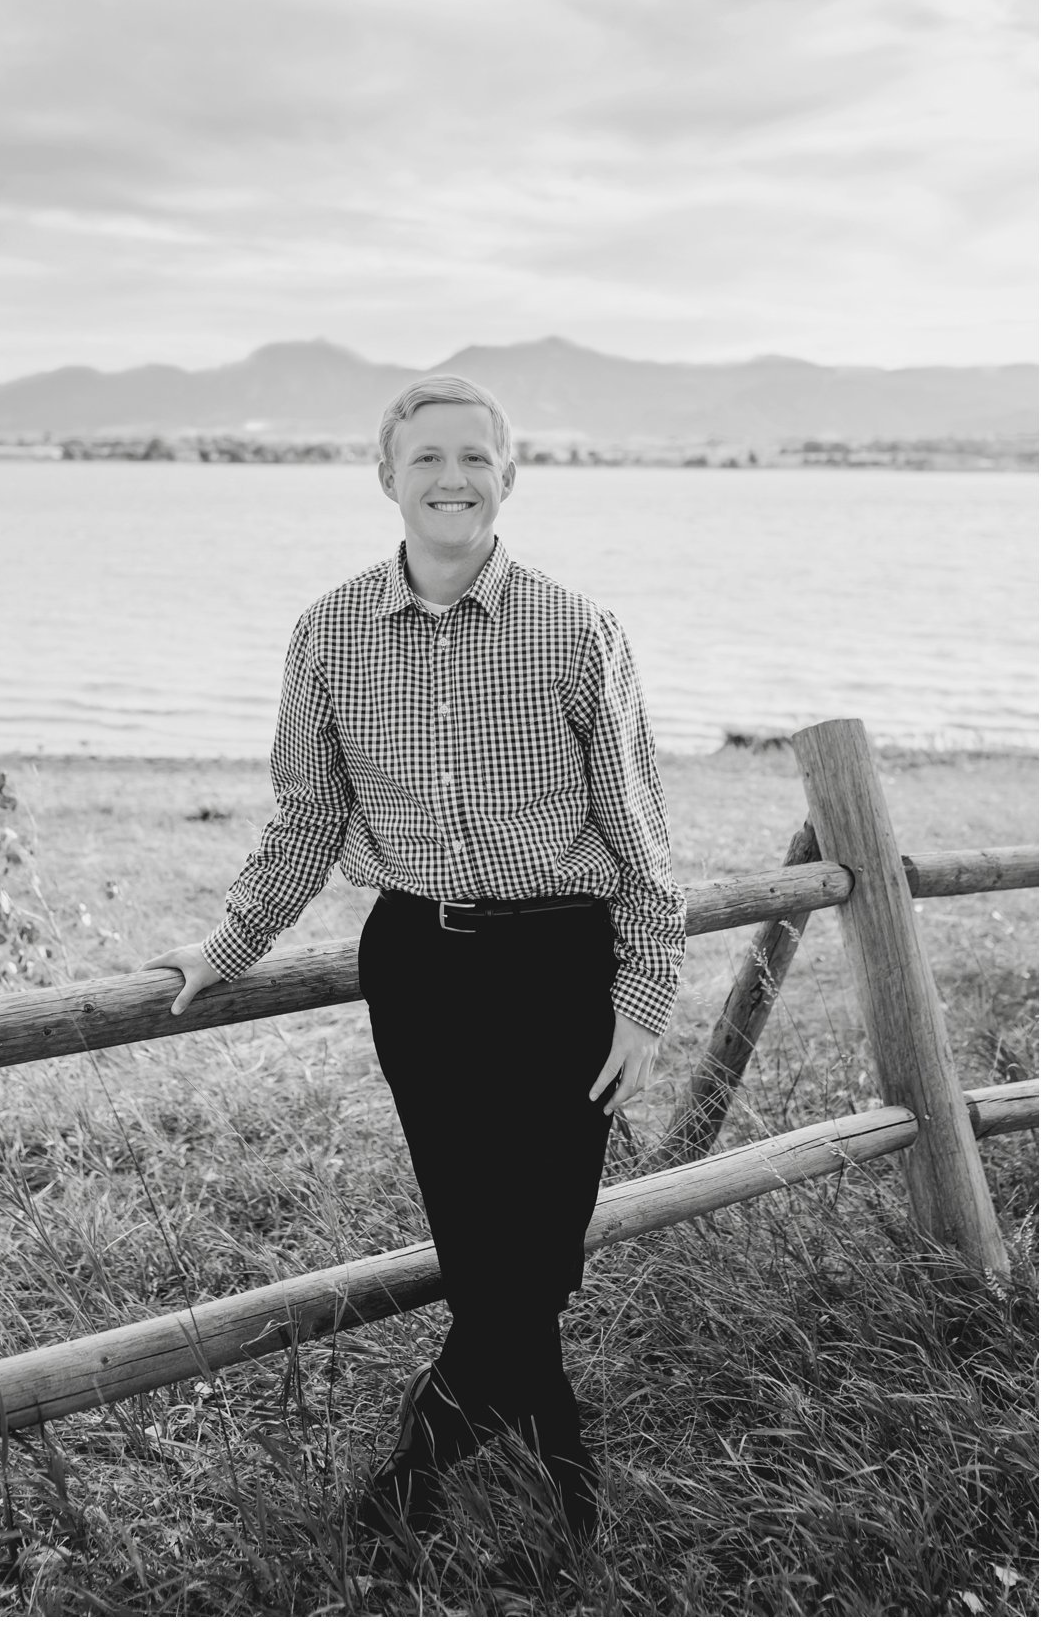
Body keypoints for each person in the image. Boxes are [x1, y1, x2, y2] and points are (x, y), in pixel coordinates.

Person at [147, 374, 685, 1566]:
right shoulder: (329, 631)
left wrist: (642, 997)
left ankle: (419, 1473)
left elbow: (642, 829)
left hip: (559, 967)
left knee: (538, 1247)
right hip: (420, 971)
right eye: (427, 457)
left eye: (474, 458)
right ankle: (562, 1472)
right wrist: (226, 945)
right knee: (483, 1248)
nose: (452, 477)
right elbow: (303, 820)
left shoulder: (575, 627)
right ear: (386, 476)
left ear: (510, 475)